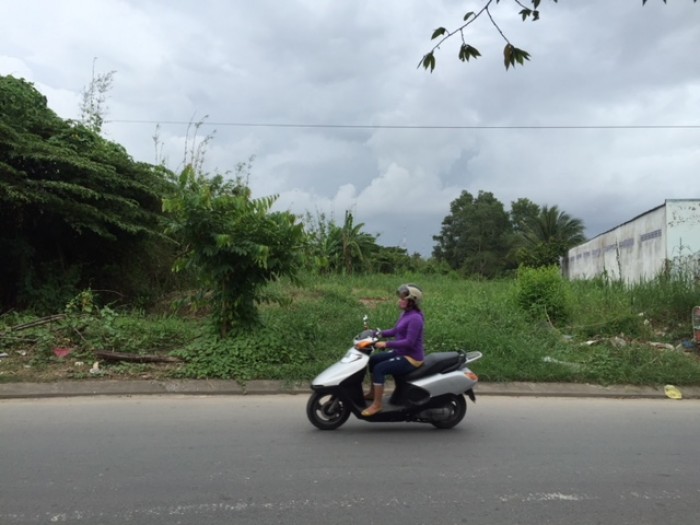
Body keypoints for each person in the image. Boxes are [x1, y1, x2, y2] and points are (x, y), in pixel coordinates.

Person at [361, 283, 425, 417]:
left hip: (411, 358)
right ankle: (373, 393)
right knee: (373, 360)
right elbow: (396, 331)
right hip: (401, 352)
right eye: (401, 297)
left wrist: (386, 344)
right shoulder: (406, 314)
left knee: (380, 369)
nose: (400, 300)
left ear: (412, 301)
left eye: (403, 298)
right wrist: (376, 334)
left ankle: (377, 405)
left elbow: (409, 342)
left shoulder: (415, 318)